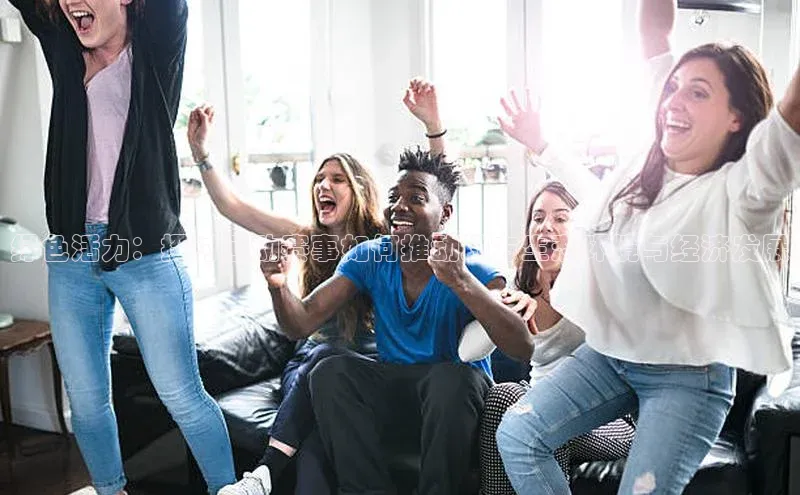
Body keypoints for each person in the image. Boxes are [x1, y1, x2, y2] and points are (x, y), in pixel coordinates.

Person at [495, 0, 800, 493]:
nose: (674, 100)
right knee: (519, 434)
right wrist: (544, 145)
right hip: (613, 354)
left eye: (698, 92)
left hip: (688, 378)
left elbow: (794, 112)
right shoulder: (650, 158)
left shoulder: (748, 188)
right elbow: (654, 31)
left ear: (736, 118)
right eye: (674, 87)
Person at [8, 1, 237, 494]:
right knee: (87, 401)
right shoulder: (65, 49)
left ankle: (228, 490)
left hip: (146, 255)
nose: (72, 3)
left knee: (182, 394)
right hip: (72, 255)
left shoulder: (154, 51)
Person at [192, 77, 450, 495]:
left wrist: (434, 127)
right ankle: (263, 476)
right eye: (319, 179)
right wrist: (202, 155)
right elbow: (234, 208)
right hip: (310, 363)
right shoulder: (306, 238)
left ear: (360, 189)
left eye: (337, 179)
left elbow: (435, 192)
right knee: (320, 367)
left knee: (315, 445)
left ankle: (264, 474)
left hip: (364, 366)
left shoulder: (383, 240)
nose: (323, 186)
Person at [259, 147, 533, 495]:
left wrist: (461, 280)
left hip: (453, 400)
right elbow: (300, 323)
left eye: (416, 198)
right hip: (395, 388)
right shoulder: (370, 256)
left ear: (445, 213)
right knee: (329, 370)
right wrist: (278, 287)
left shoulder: (470, 264)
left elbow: (522, 346)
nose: (399, 207)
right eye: (394, 198)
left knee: (453, 378)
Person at [478, 181, 635, 495]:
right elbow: (474, 349)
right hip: (538, 398)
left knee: (539, 421)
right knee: (503, 397)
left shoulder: (602, 279)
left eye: (561, 218)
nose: (545, 226)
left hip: (610, 417)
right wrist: (499, 308)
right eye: (538, 218)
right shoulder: (519, 284)